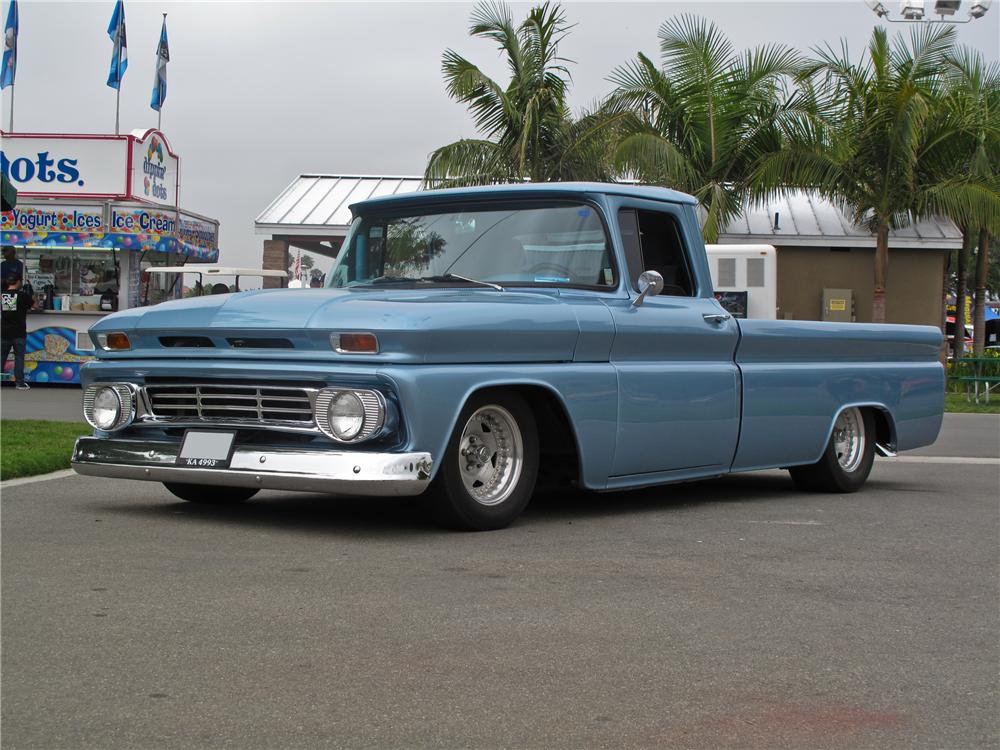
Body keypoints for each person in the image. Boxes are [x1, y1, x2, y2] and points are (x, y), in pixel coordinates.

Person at [1, 274, 34, 390]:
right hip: (19, 332)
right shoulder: (23, 295)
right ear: (18, 282)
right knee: (19, 357)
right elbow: (35, 306)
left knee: (1, 356)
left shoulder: (2, 295)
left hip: (4, 331)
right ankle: (19, 383)